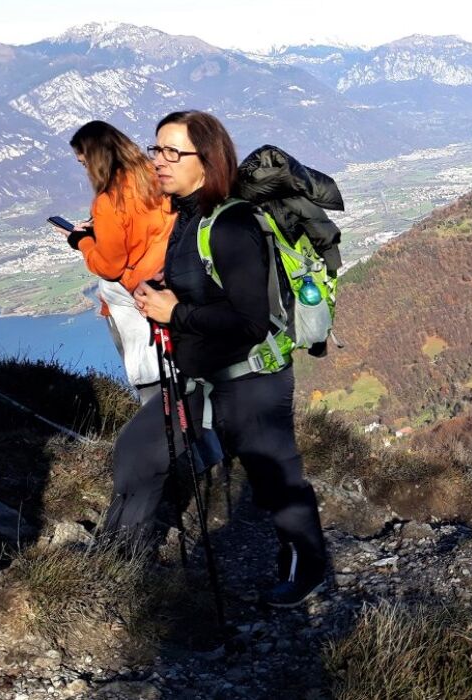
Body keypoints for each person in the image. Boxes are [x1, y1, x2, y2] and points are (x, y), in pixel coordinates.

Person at [116, 110, 328, 607]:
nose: (159, 162)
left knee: (277, 481)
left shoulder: (231, 225)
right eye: (156, 150)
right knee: (138, 451)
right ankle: (120, 562)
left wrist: (177, 313)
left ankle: (308, 567)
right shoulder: (190, 217)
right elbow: (208, 286)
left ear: (206, 161)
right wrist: (169, 294)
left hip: (252, 381)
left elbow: (252, 323)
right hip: (206, 376)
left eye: (173, 153)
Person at [58, 121, 175, 400]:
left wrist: (82, 241)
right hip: (171, 286)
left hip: (136, 298)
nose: (85, 170)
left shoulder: (110, 201)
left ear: (96, 159)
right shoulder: (156, 177)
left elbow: (109, 266)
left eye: (84, 163)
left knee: (152, 386)